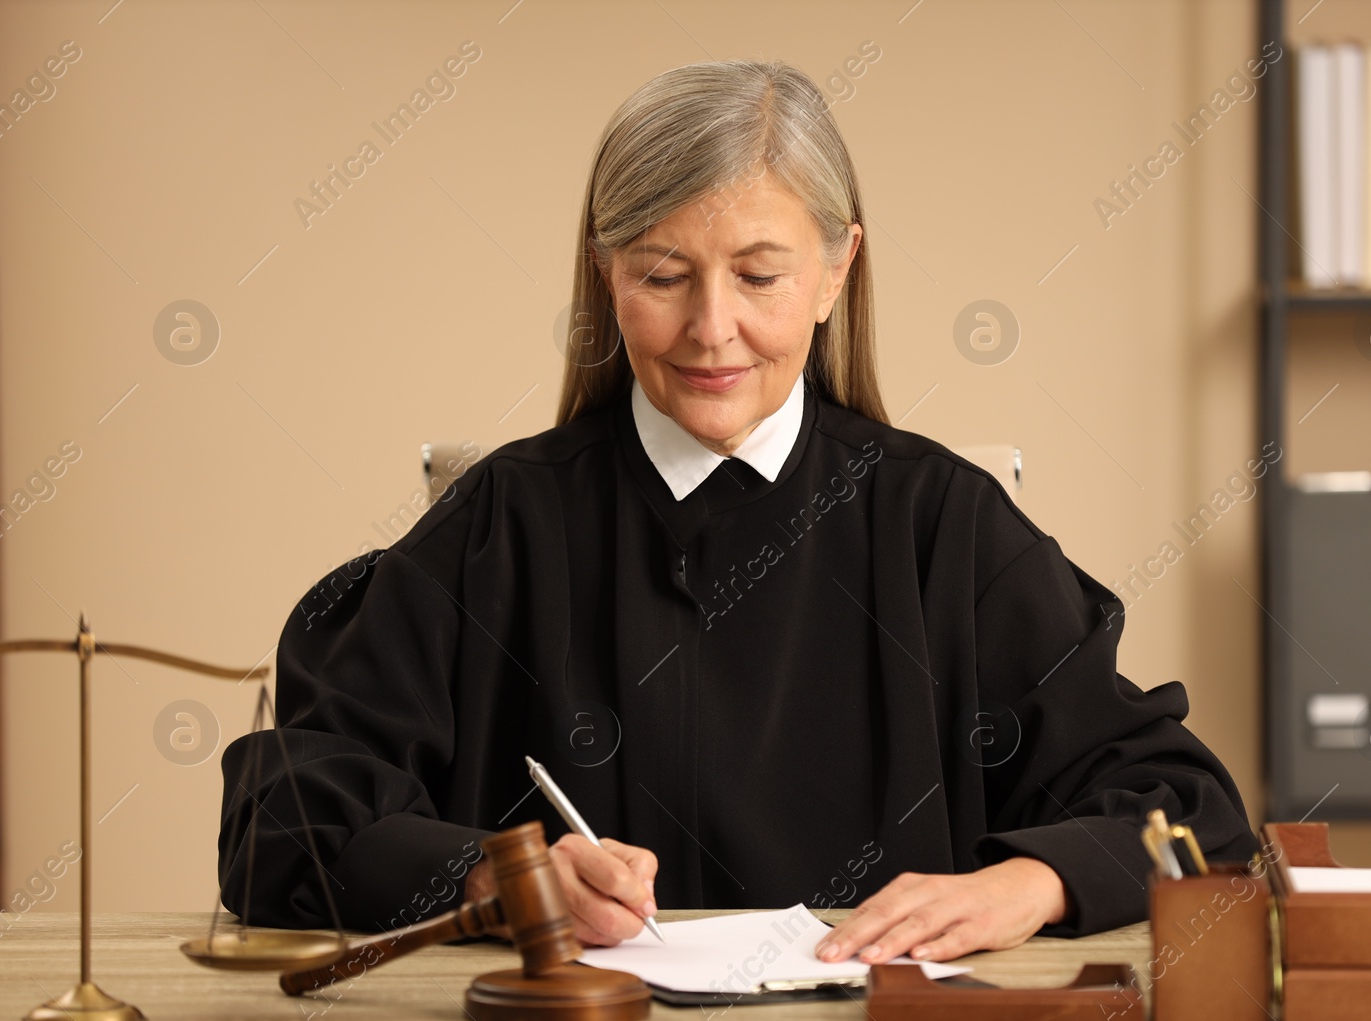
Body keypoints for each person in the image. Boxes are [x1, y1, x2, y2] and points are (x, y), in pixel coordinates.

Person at [218, 58, 1258, 965]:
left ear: (836, 270)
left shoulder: (946, 524)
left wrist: (1024, 883)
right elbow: (282, 821)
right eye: (661, 276)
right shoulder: (500, 526)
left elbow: (1188, 805)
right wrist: (496, 877)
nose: (712, 330)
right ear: (603, 270)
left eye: (759, 275)